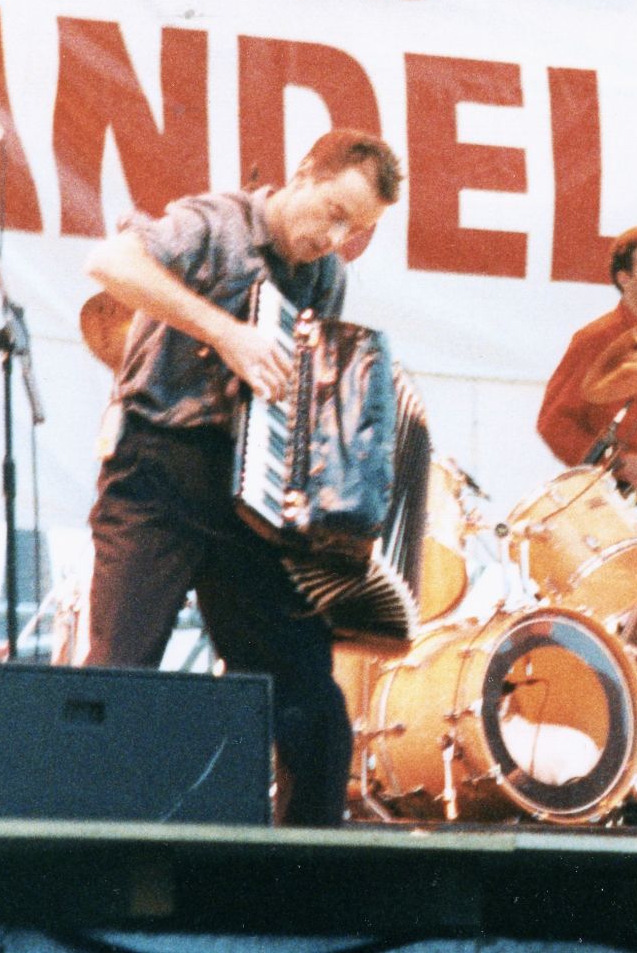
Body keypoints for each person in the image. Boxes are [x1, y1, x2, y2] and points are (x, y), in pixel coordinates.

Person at [82, 128, 403, 827]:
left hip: (249, 505)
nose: (338, 238)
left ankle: (304, 881)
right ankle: (80, 866)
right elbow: (109, 261)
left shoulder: (327, 277)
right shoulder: (217, 222)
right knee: (118, 675)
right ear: (302, 174)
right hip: (158, 474)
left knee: (309, 696)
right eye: (335, 213)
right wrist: (226, 334)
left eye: (359, 230)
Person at [537, 223, 637, 564]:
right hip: (609, 499)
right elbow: (552, 423)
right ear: (624, 278)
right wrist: (619, 464)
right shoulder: (594, 340)